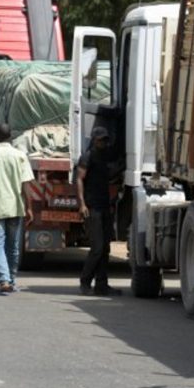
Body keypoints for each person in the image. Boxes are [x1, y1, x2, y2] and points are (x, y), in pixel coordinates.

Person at [0, 124, 33, 293]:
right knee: (13, 245)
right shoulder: (20, 156)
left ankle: (3, 279)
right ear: (10, 135)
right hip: (15, 206)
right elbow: (26, 184)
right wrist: (30, 207)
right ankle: (11, 279)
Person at [76, 126, 121, 296]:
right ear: (94, 140)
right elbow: (79, 179)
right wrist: (82, 204)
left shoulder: (104, 157)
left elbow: (109, 175)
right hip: (92, 207)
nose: (104, 142)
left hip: (104, 206)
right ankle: (85, 282)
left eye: (105, 139)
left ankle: (102, 284)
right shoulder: (87, 157)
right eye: (101, 139)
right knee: (97, 248)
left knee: (105, 248)